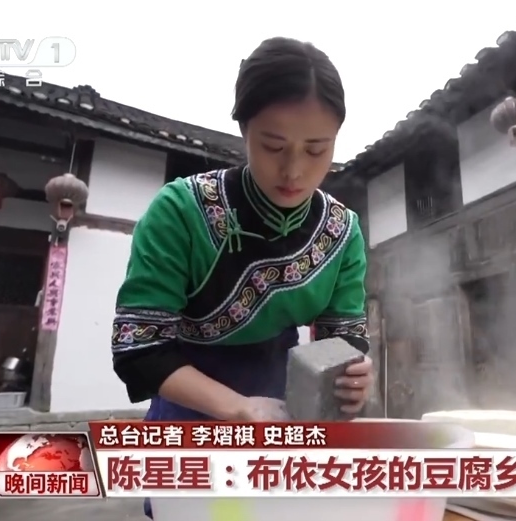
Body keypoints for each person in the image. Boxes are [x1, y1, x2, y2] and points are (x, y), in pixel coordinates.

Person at [109, 37, 373, 518]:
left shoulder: (342, 230)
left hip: (283, 407)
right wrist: (237, 408)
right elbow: (140, 350)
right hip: (188, 405)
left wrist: (352, 378)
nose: (294, 170)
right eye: (273, 146)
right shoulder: (181, 212)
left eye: (317, 149)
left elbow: (344, 339)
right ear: (243, 128)